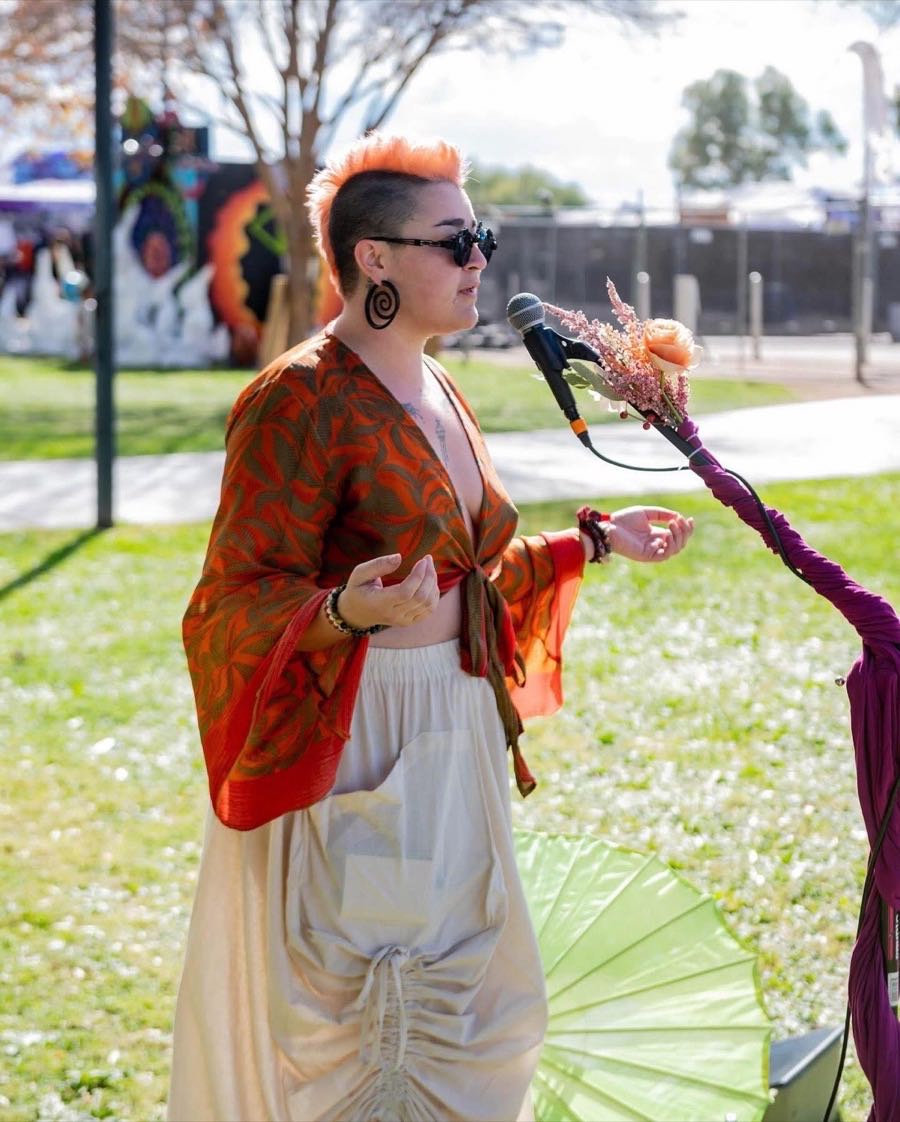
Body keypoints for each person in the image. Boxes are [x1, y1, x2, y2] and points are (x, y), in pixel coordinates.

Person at [167, 133, 694, 1122]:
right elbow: (230, 601)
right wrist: (339, 611)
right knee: (370, 1024)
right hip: (361, 739)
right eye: (454, 241)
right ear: (374, 259)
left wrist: (596, 544)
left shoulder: (442, 386)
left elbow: (465, 577)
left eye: (480, 236)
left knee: (489, 1015)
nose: (479, 260)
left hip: (457, 732)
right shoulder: (297, 397)